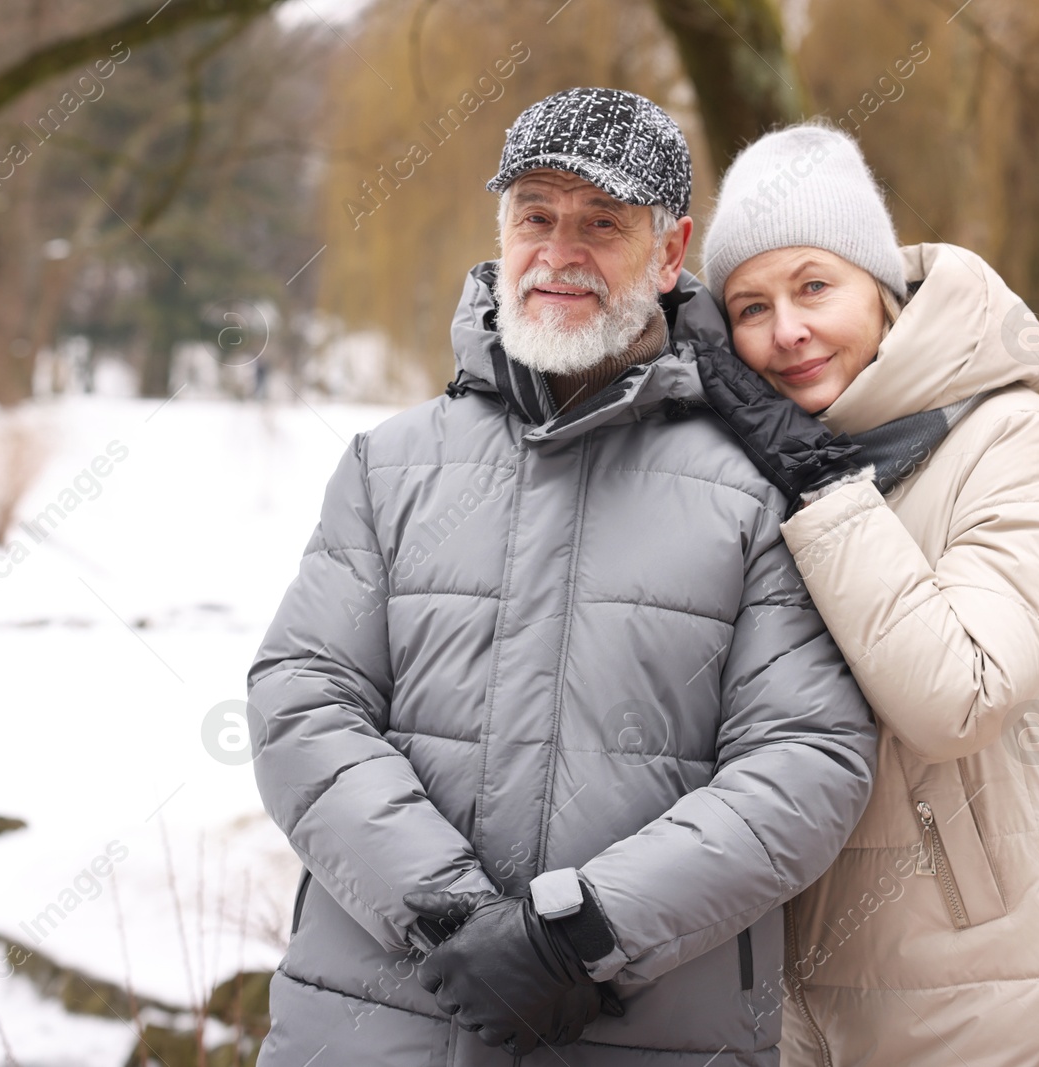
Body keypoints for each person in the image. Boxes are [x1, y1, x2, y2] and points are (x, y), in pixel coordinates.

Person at [247, 88, 877, 1065]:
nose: (559, 250)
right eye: (534, 216)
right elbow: (302, 699)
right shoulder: (390, 464)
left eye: (601, 223)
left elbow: (806, 759)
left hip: (651, 1033)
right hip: (375, 1027)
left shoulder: (755, 492)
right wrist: (452, 916)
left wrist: (578, 933)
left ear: (670, 253)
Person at [693, 121, 1039, 1065]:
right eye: (750, 306)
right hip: (809, 996)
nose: (788, 331)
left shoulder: (1010, 439)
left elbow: (960, 693)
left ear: (882, 289)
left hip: (997, 988)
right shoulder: (769, 455)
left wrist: (822, 489)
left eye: (815, 286)